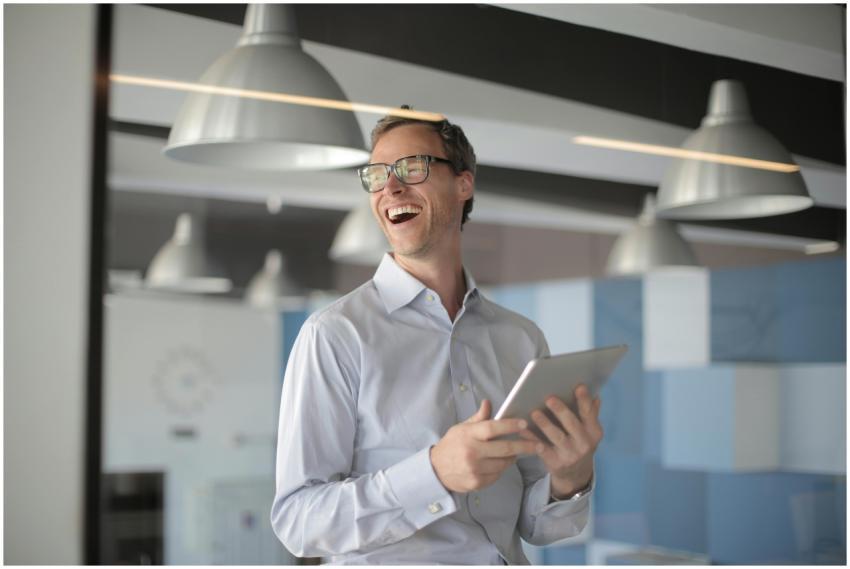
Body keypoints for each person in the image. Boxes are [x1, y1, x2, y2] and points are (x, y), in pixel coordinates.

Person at [270, 110, 603, 564]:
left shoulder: (520, 339)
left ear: (463, 184)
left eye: (411, 167)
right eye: (378, 175)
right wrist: (432, 474)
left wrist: (570, 475)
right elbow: (299, 521)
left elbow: (538, 527)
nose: (390, 188)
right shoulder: (334, 336)